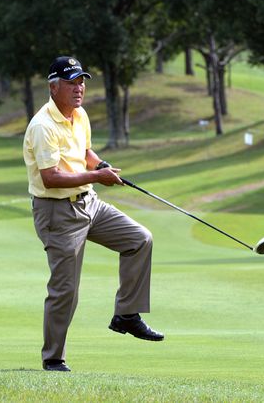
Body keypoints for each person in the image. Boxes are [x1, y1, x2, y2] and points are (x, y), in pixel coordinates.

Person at [23, 56, 164, 372]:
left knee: (139, 240)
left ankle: (126, 314)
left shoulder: (79, 115)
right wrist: (96, 177)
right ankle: (53, 358)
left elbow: (84, 153)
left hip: (89, 203)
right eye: (72, 83)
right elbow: (52, 177)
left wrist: (99, 166)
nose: (79, 88)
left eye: (81, 81)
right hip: (57, 212)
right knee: (66, 290)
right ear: (53, 86)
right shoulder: (43, 126)